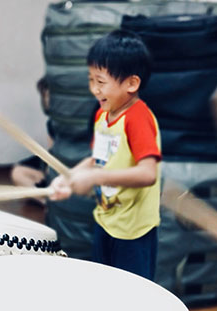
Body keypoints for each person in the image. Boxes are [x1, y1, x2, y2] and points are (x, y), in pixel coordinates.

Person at [50, 29, 161, 280]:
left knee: (133, 295)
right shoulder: (103, 115)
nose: (94, 89)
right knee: (106, 284)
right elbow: (96, 160)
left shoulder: (138, 118)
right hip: (106, 219)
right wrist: (69, 177)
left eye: (100, 82)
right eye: (91, 80)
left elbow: (148, 173)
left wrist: (95, 179)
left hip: (133, 230)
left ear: (132, 83)